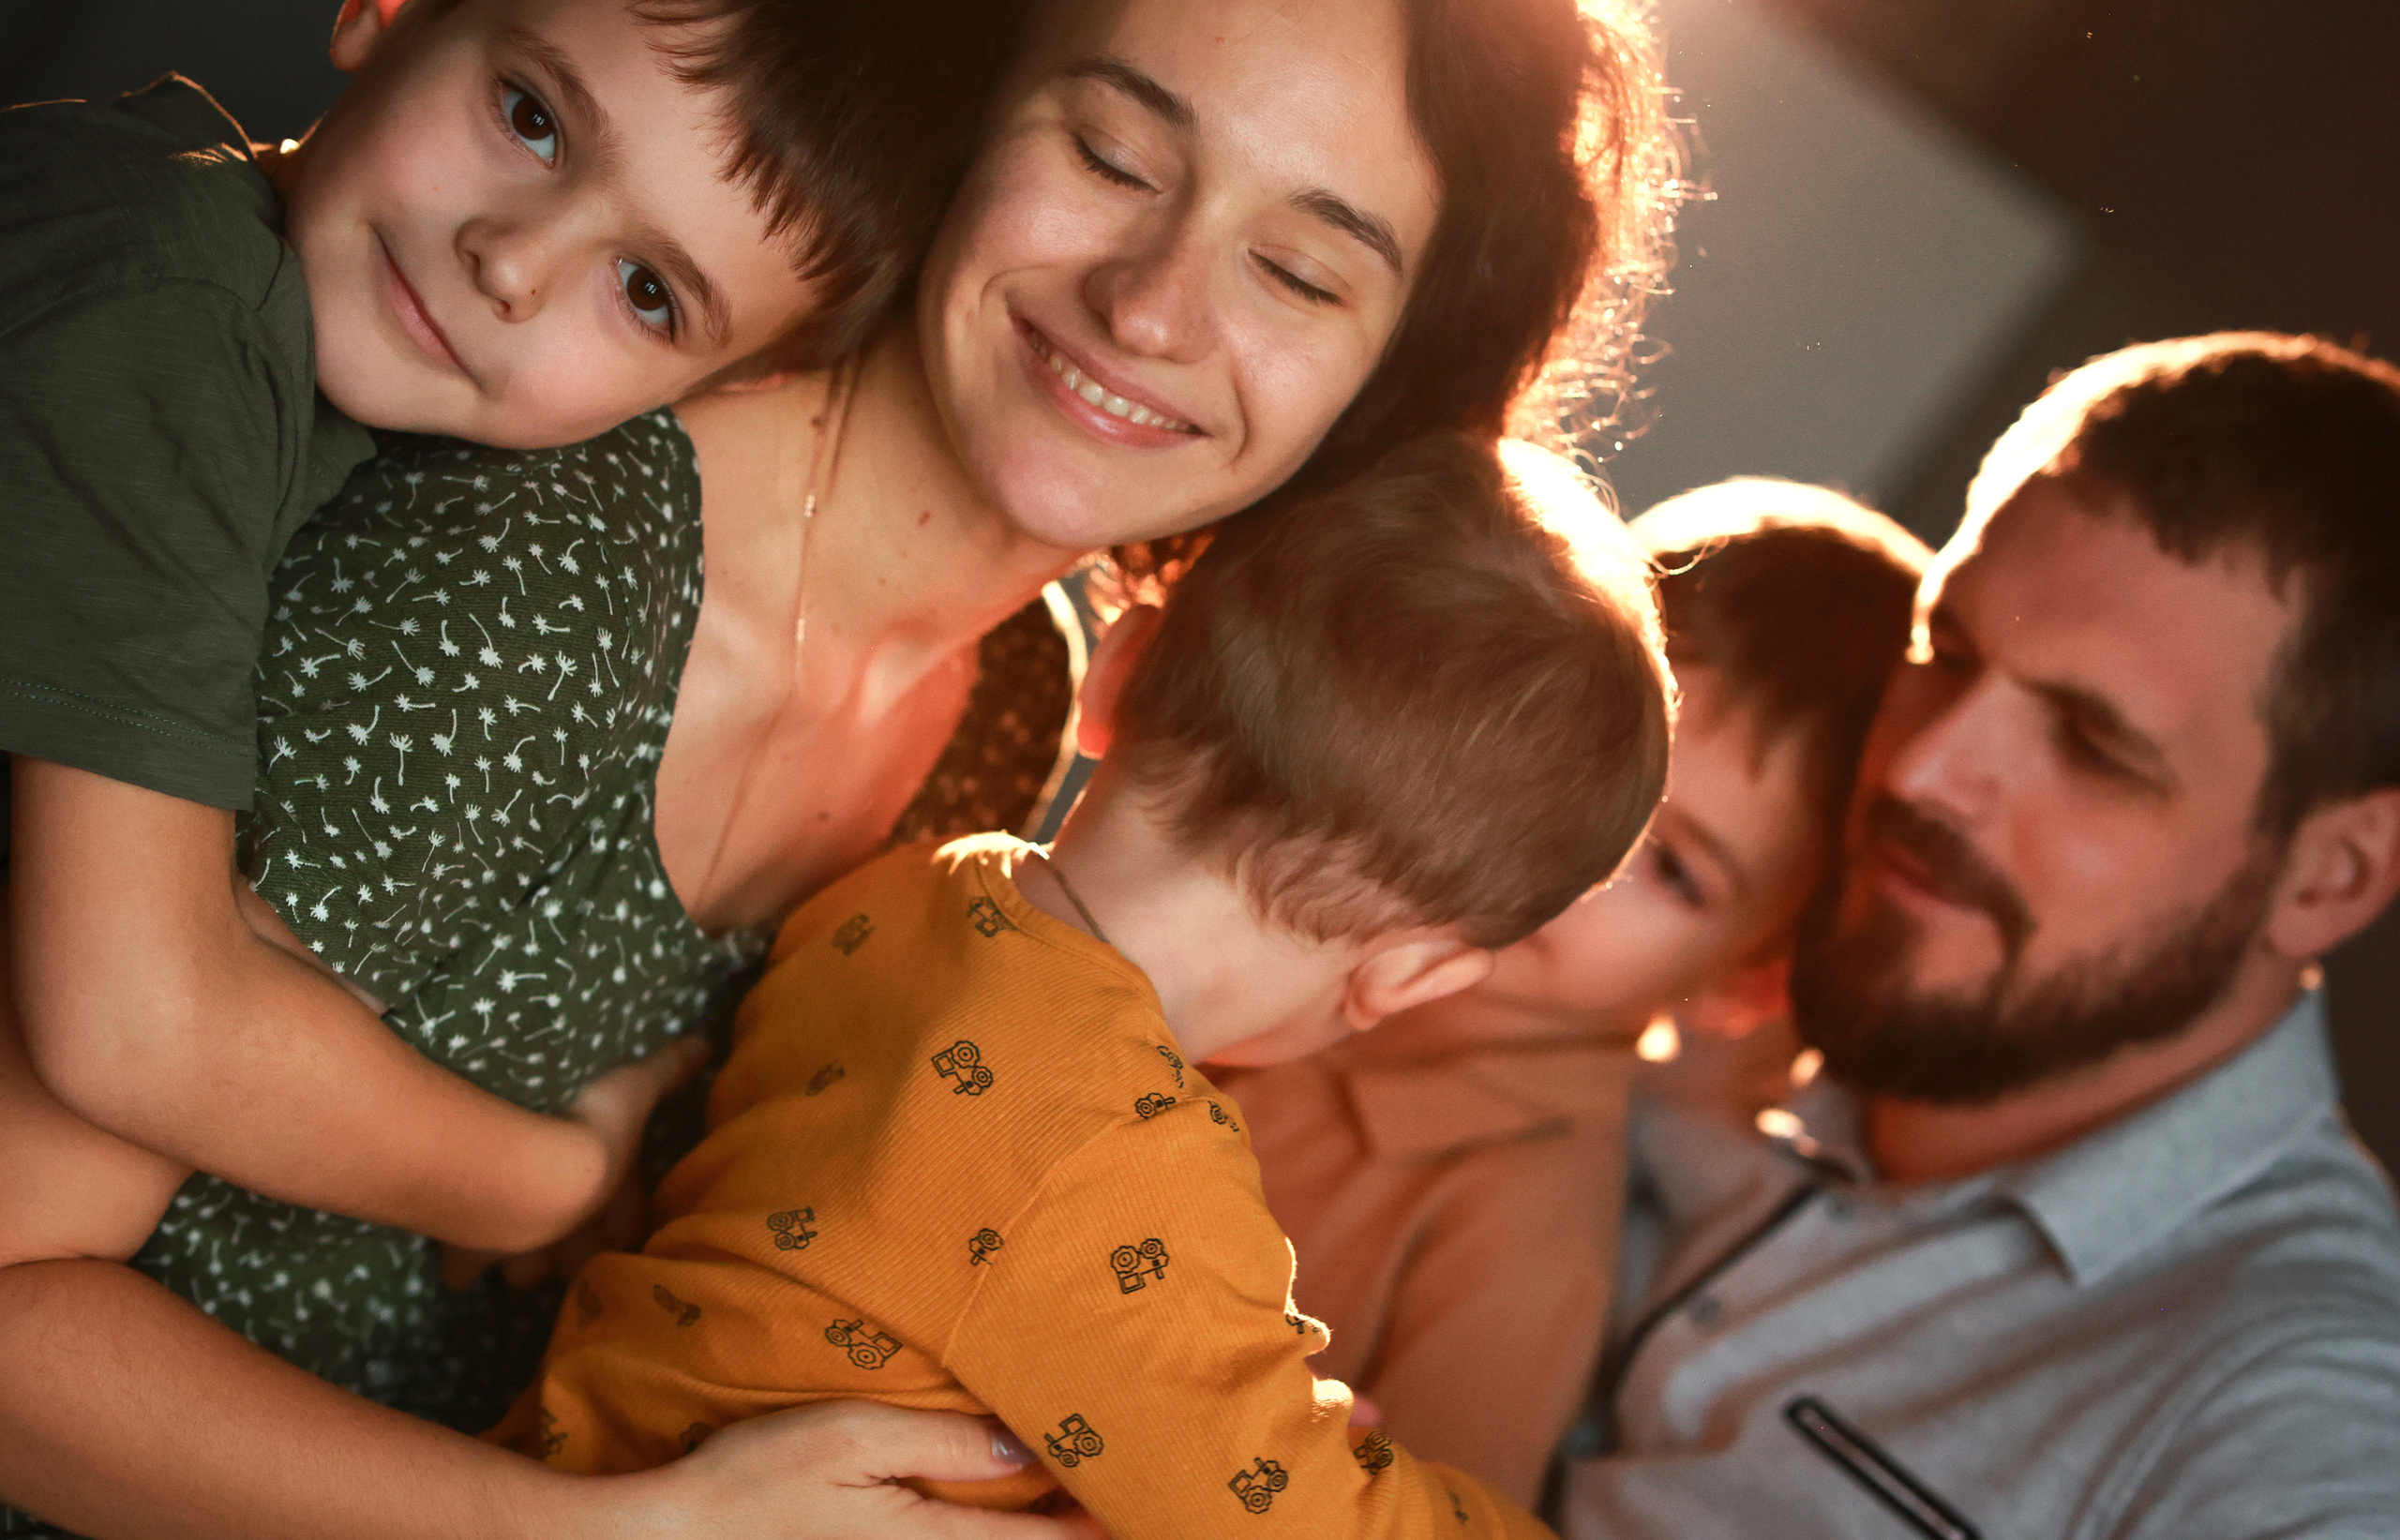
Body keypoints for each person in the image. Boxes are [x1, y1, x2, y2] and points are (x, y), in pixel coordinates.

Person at [0, 0, 1680, 1533]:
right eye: (1111, 154)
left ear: (1378, 404)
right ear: (970, 106)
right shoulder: (547, 559)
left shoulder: (1014, 704)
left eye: (1298, 272)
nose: (1151, 305)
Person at [3, 0, 1009, 1278]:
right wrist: (546, 1183)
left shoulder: (302, 379)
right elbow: (130, 1020)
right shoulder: (170, 308)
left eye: (647, 293)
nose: (513, 262)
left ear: (718, 388)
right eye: (532, 117)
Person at [489, 434, 1672, 1536]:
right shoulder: (1123, 1159)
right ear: (1412, 975)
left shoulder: (904, 893)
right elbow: (1303, 1518)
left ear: (1116, 671)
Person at [1558, 333, 2400, 1539]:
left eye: (2091, 744)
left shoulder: (2287, 1407)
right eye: (1942, 650)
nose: (1923, 767)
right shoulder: (1697, 953)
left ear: (2331, 875)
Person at [1218, 478, 1928, 1506]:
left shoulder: (1521, 1245)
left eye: (1673, 867)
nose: (1584, 845)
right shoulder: (1279, 874)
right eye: (1586, 746)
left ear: (1749, 980)